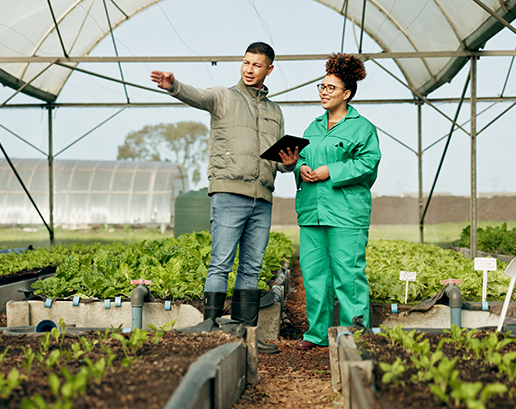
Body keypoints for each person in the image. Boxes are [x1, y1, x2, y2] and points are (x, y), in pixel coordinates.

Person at [150, 42, 299, 354]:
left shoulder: (274, 112)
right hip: (230, 192)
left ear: (269, 69)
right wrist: (174, 86)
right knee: (221, 262)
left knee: (252, 267)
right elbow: (198, 96)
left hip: (262, 198)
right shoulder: (224, 97)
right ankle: (211, 327)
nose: (249, 69)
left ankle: (246, 333)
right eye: (246, 62)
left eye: (256, 65)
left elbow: (279, 161)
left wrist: (289, 163)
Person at [293, 53, 381, 350]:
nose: (324, 92)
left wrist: (331, 170)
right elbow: (302, 158)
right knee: (314, 276)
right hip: (312, 212)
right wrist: (299, 167)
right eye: (322, 87)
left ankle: (354, 333)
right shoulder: (313, 127)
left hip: (346, 213)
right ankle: (316, 334)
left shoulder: (362, 127)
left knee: (349, 275)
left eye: (330, 88)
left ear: (347, 94)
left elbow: (368, 163)